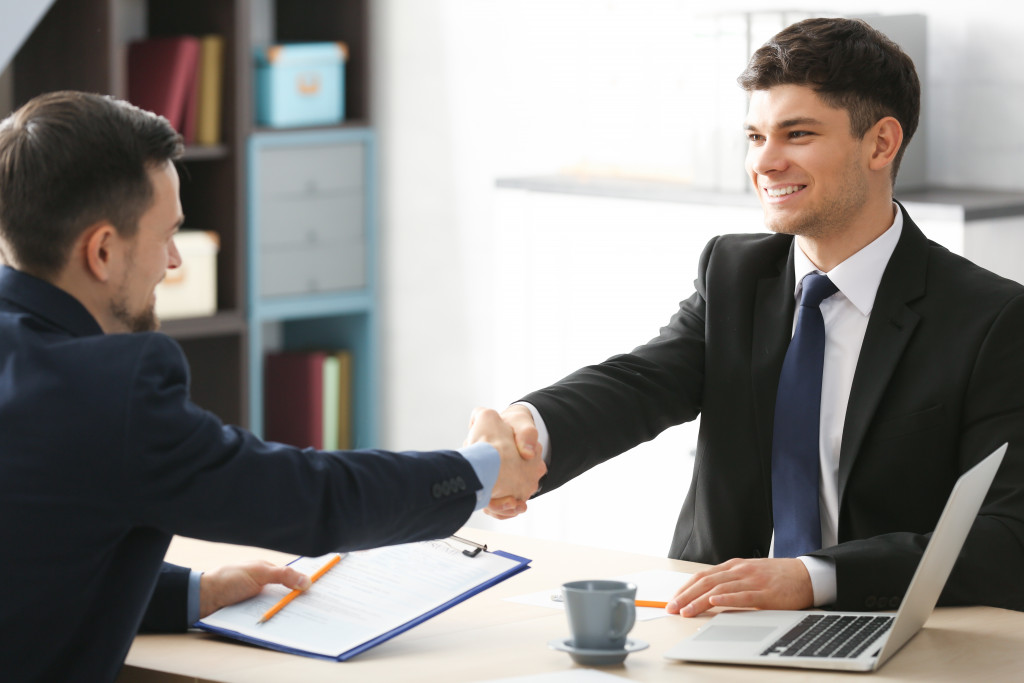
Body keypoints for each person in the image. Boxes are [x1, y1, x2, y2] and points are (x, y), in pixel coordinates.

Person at [484, 17, 1024, 617]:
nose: (764, 163)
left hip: (881, 626)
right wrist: (524, 430)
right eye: (754, 135)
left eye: (796, 134)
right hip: (709, 619)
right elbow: (636, 385)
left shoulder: (990, 320)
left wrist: (813, 579)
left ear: (880, 143)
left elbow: (1009, 538)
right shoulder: (734, 273)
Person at [0, 90, 546, 682]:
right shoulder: (108, 391)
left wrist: (194, 594)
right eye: (166, 236)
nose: (174, 262)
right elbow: (310, 500)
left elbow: (32, 552)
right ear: (103, 250)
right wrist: (483, 469)